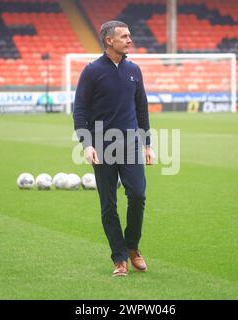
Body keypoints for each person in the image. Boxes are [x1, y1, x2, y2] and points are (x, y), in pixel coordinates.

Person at [73, 20, 155, 277]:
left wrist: (147, 144)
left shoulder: (134, 70)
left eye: (129, 35)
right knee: (109, 205)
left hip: (130, 143)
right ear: (109, 40)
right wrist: (87, 144)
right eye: (124, 36)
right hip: (103, 145)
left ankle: (132, 247)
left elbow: (141, 109)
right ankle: (119, 258)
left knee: (138, 195)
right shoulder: (91, 71)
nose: (130, 40)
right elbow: (80, 111)